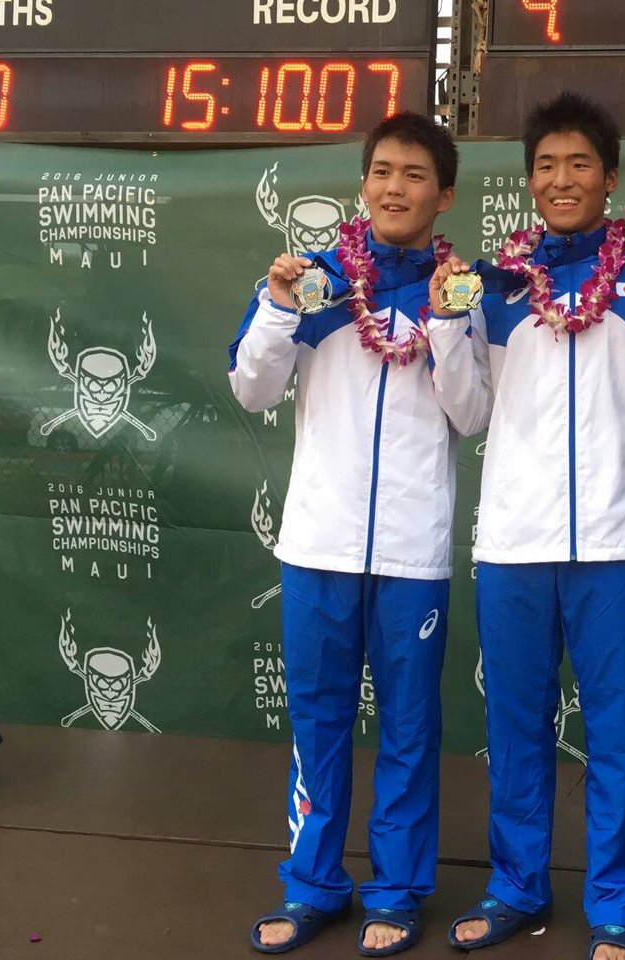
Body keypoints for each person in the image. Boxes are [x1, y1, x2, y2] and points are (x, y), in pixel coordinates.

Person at [229, 112, 489, 956]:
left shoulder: (460, 291)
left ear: (444, 195)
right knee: (318, 722)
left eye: (414, 175)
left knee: (410, 730)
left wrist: (446, 324)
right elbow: (251, 390)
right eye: (382, 171)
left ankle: (397, 891)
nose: (394, 187)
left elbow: (472, 414)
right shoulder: (316, 281)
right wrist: (276, 307)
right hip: (319, 546)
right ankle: (311, 886)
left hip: (413, 552)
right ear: (363, 183)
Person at [439, 92, 625, 960]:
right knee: (516, 729)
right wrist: (447, 328)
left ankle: (617, 905)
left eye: (579, 163)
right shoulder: (494, 289)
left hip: (615, 546)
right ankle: (516, 887)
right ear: (529, 181)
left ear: (610, 177)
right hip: (514, 544)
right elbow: (467, 415)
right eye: (545, 165)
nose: (561, 179)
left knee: (617, 734)